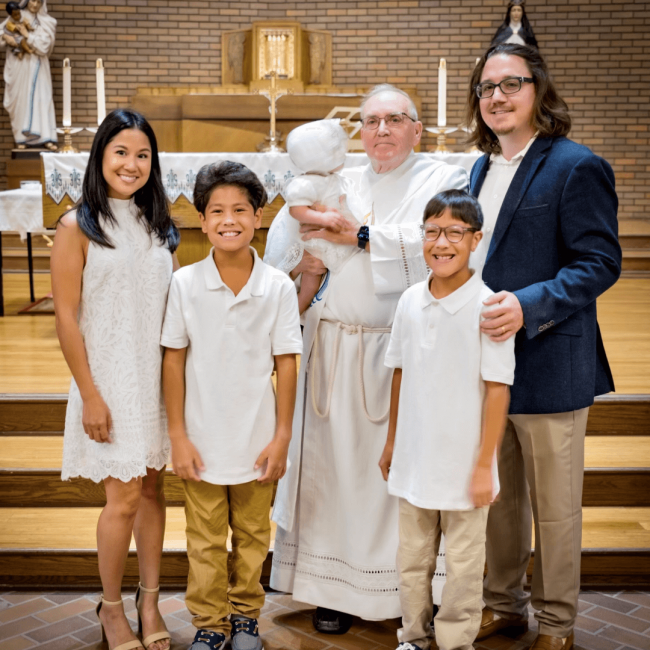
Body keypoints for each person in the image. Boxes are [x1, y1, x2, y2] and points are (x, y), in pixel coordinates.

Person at [269, 84, 468, 633]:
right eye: (371, 121)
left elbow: (437, 240)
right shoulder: (341, 178)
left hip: (401, 350)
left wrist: (357, 234)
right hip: (333, 342)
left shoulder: (442, 177)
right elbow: (292, 242)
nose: (381, 131)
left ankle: (404, 588)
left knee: (393, 474)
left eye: (395, 120)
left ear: (417, 128)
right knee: (335, 473)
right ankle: (334, 590)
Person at [466, 43, 621, 650]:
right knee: (499, 500)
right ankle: (503, 604)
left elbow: (600, 262)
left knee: (555, 509)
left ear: (538, 91)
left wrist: (528, 305)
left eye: (511, 85)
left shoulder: (575, 165)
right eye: (486, 88)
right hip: (488, 364)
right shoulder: (479, 170)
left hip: (550, 356)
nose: (496, 97)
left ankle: (557, 623)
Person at [161, 161, 302, 650]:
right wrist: (177, 436)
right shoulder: (184, 285)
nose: (229, 219)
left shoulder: (279, 287)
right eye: (216, 210)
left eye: (240, 209)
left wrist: (282, 436)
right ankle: (208, 622)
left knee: (251, 536)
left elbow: (287, 364)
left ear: (259, 216)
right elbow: (174, 362)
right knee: (202, 539)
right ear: (201, 221)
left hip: (257, 438)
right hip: (200, 438)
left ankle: (245, 617)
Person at [53, 109, 179, 650]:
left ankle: (149, 602)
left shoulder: (157, 225)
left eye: (142, 154)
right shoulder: (76, 224)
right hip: (107, 378)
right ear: (100, 156)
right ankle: (110, 608)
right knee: (123, 498)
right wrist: (90, 396)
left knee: (153, 489)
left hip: (155, 375)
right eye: (121, 152)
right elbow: (65, 315)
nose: (132, 164)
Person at [379, 189, 515, 650]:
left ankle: (457, 640)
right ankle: (413, 637)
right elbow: (399, 374)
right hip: (415, 457)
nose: (442, 242)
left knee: (462, 563)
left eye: (454, 232)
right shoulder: (410, 301)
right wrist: (392, 442)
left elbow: (498, 389)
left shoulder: (491, 307)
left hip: (465, 464)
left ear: (475, 239)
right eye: (432, 231)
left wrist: (484, 465)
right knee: (412, 558)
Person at [264, 118, 363, 313]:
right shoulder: (305, 183)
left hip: (337, 238)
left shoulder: (334, 179)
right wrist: (322, 219)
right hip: (314, 242)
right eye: (336, 152)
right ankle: (292, 315)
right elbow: (296, 210)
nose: (344, 154)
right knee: (311, 279)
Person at [0, 0, 57, 149]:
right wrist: (7, 37)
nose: (35, 4)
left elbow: (44, 46)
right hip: (20, 67)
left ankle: (46, 137)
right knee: (21, 101)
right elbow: (2, 31)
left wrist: (28, 36)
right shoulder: (17, 15)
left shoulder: (48, 21)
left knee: (42, 99)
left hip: (39, 68)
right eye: (32, 0)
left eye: (39, 1)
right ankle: (21, 139)